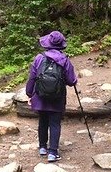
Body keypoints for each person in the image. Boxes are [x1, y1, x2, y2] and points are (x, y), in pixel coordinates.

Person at [25, 31, 78, 162]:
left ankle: (43, 147)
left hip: (40, 97)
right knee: (55, 123)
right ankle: (53, 153)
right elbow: (71, 81)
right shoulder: (65, 60)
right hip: (57, 98)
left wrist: (29, 93)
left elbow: (32, 77)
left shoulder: (39, 58)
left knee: (42, 121)